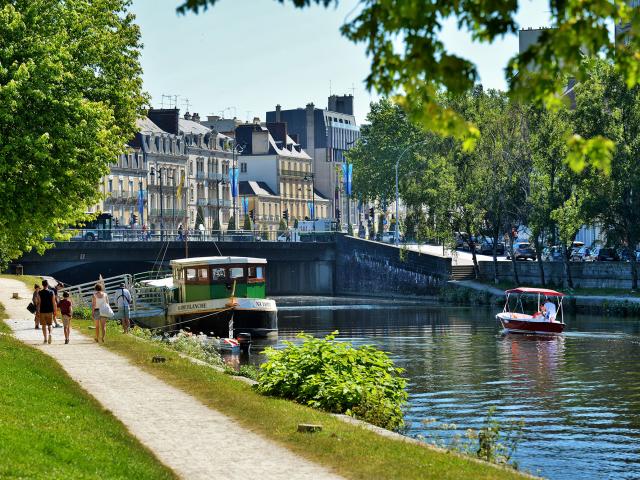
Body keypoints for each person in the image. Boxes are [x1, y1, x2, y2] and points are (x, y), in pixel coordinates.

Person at [37, 279, 57, 344]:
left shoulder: (39, 293)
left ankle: (45, 339)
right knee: (50, 324)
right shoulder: (52, 292)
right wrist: (55, 311)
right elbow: (53, 302)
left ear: (42, 285)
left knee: (43, 326)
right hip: (50, 311)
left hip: (42, 311)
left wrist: (38, 311)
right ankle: (50, 334)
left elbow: (39, 303)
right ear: (47, 284)